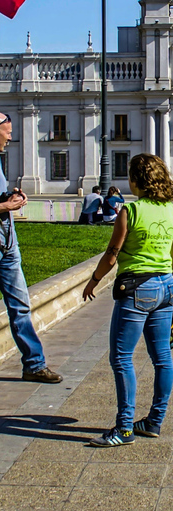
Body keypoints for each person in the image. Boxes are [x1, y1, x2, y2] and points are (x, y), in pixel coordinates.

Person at [0, 112, 62, 385]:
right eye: (7, 132)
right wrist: (7, 206)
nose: (10, 137)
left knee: (20, 305)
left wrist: (11, 198)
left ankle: (34, 364)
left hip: (7, 243)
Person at [84, 154, 173, 447]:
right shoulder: (171, 209)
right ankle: (154, 421)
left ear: (137, 180)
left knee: (121, 357)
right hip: (167, 285)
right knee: (162, 358)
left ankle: (124, 429)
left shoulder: (130, 211)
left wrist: (94, 280)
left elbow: (111, 255)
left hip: (137, 287)